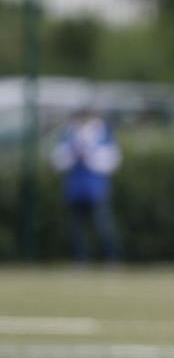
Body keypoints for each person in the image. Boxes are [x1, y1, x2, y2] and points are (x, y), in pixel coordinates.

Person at [51, 107, 122, 262]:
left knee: (102, 226)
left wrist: (90, 156)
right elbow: (58, 161)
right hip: (74, 188)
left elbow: (112, 161)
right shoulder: (68, 133)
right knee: (76, 229)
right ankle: (80, 260)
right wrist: (74, 154)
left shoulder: (104, 133)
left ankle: (112, 258)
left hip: (96, 188)